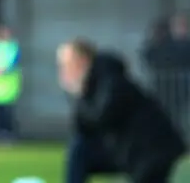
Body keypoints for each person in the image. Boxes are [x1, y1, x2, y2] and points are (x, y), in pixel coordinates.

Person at [57, 38, 188, 183]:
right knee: (80, 149)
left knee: (80, 150)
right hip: (132, 152)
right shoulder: (95, 84)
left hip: (151, 151)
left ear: (82, 61)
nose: (64, 72)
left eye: (67, 65)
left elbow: (103, 115)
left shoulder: (109, 77)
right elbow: (83, 129)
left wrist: (80, 94)